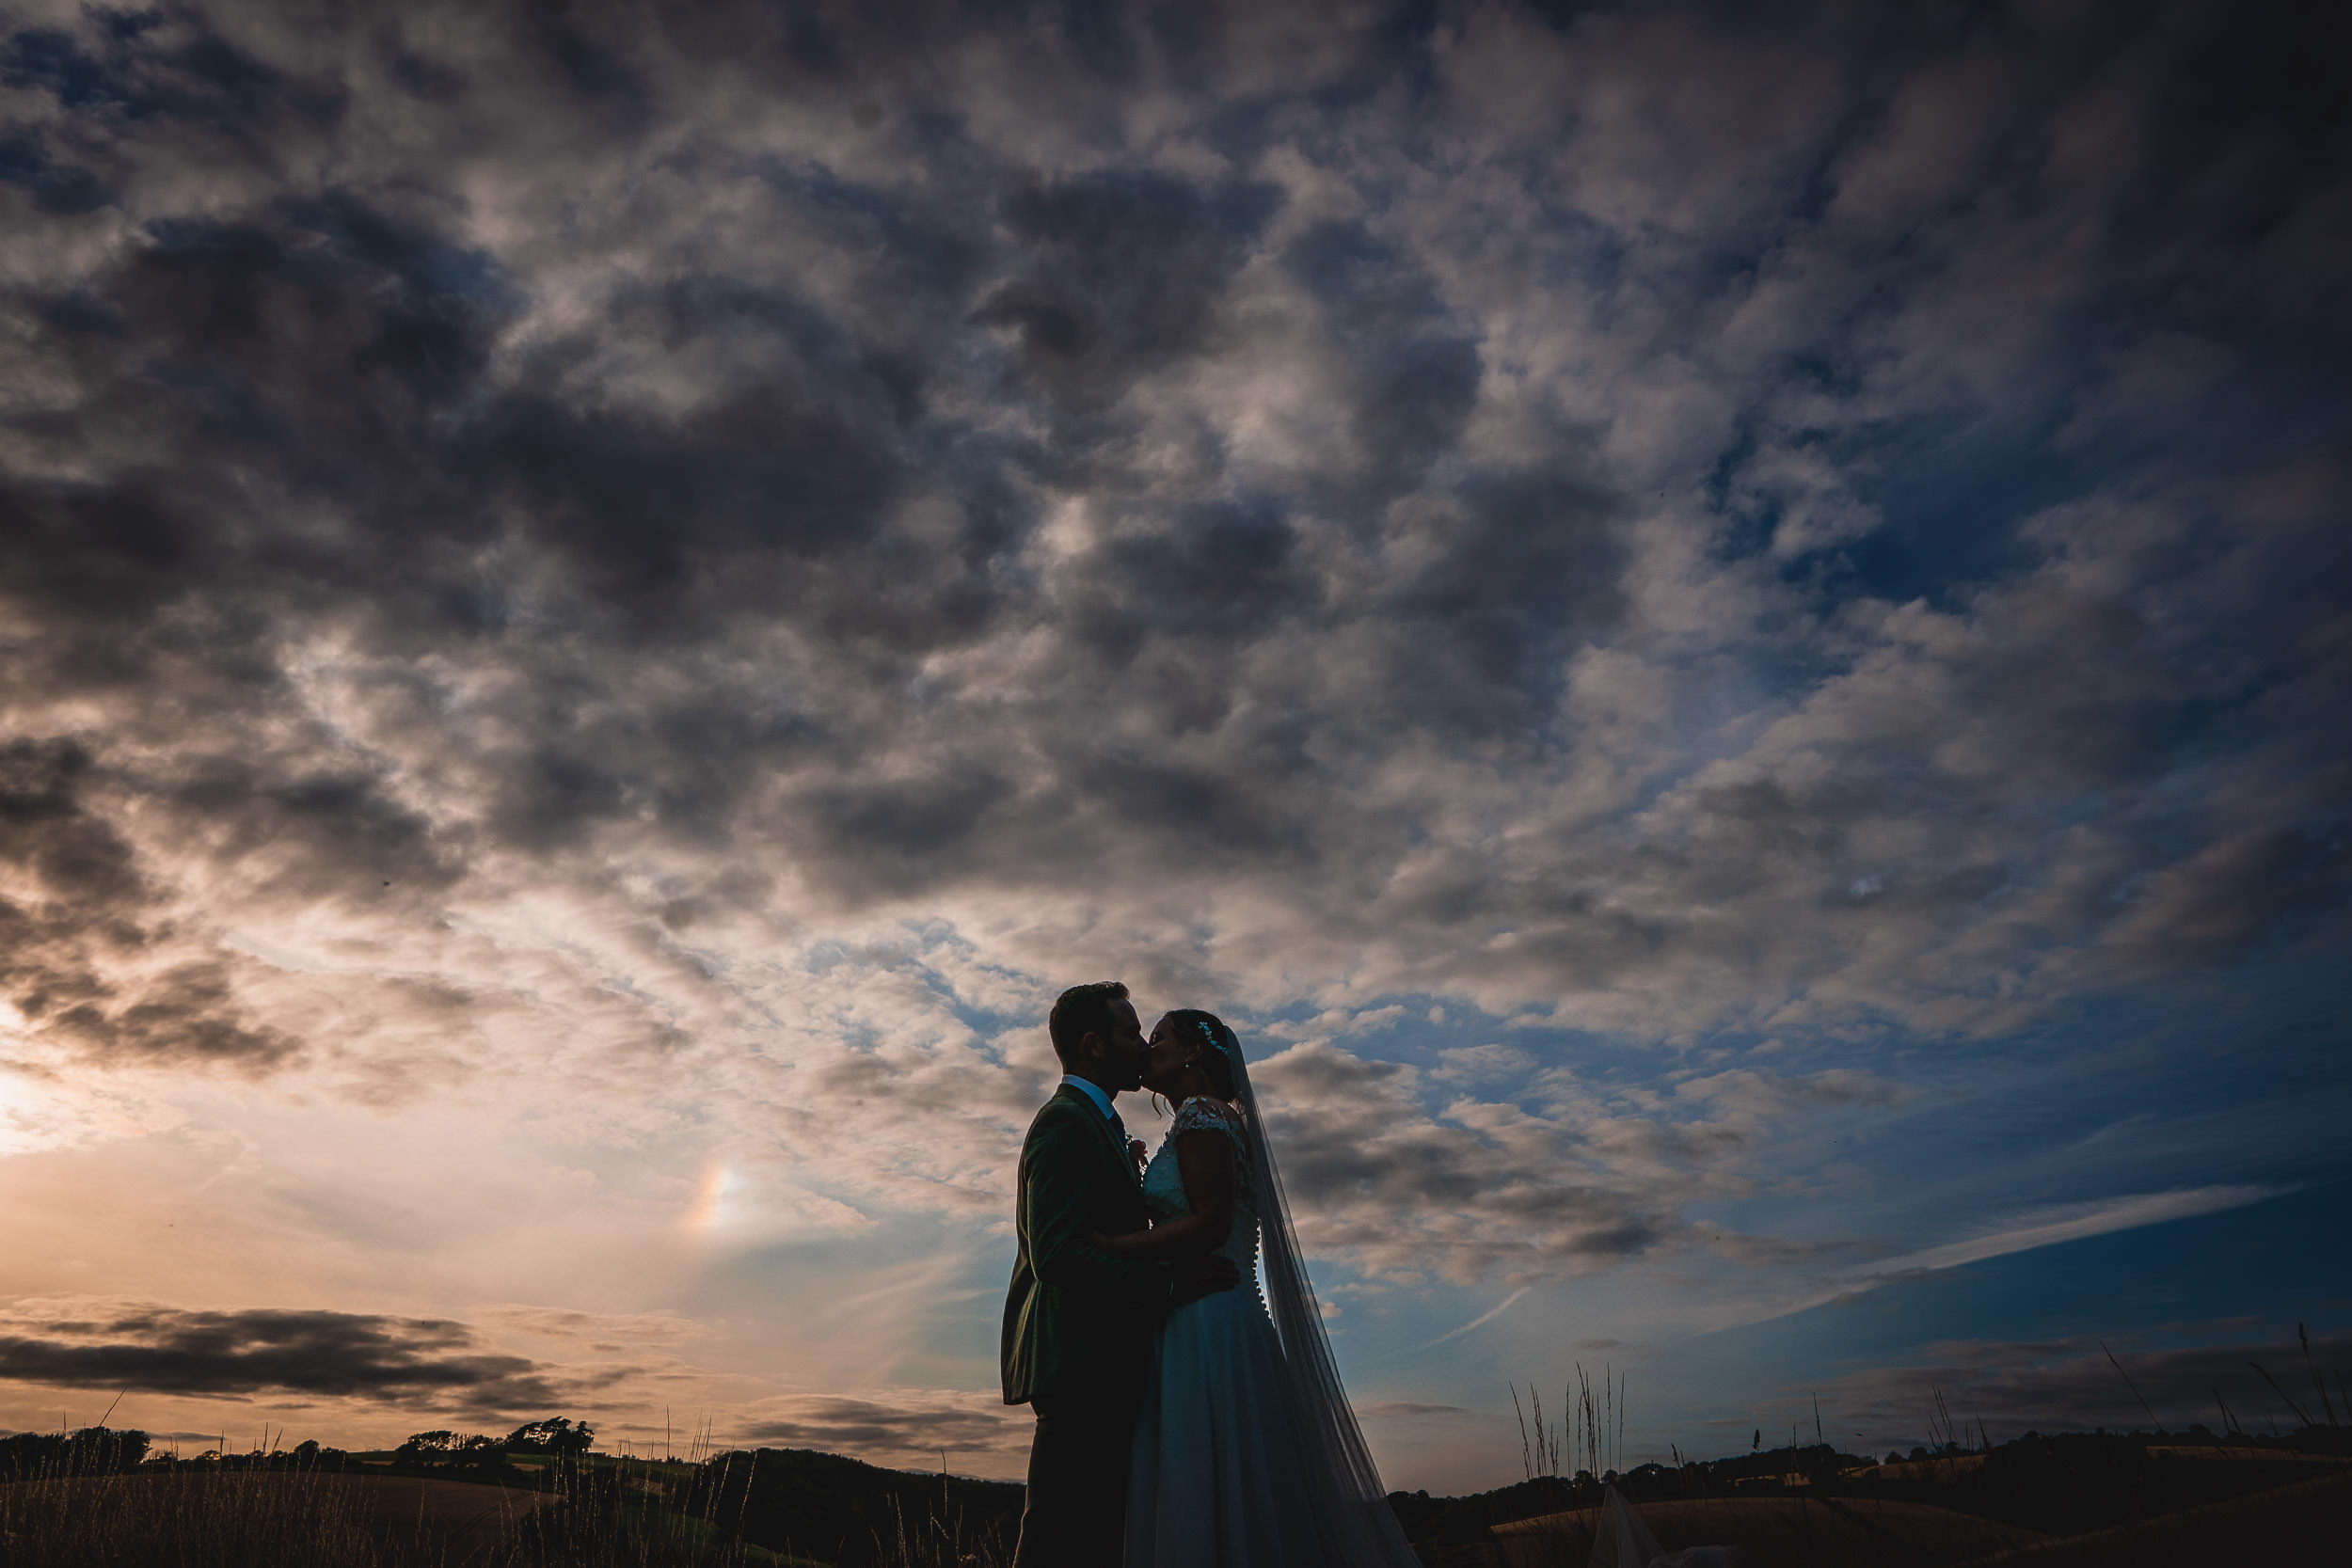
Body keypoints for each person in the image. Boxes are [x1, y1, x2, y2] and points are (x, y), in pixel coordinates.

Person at [1099, 1008, 1425, 1568]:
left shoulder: (1203, 1115)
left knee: (1203, 1471)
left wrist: (1111, 1248)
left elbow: (1211, 1223)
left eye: (1159, 1039)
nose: (1149, 1049)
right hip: (1212, 1308)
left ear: (1192, 1054)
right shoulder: (1201, 1120)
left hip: (1208, 1317)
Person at [1002, 982, 1239, 1568]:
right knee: (1060, 1536)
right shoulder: (1064, 1123)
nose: (1141, 1044)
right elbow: (1057, 1254)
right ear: (1094, 1046)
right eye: (1130, 1032)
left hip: (1105, 1362)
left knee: (1097, 1536)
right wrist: (1169, 1288)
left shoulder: (1096, 1125)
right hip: (1079, 1363)